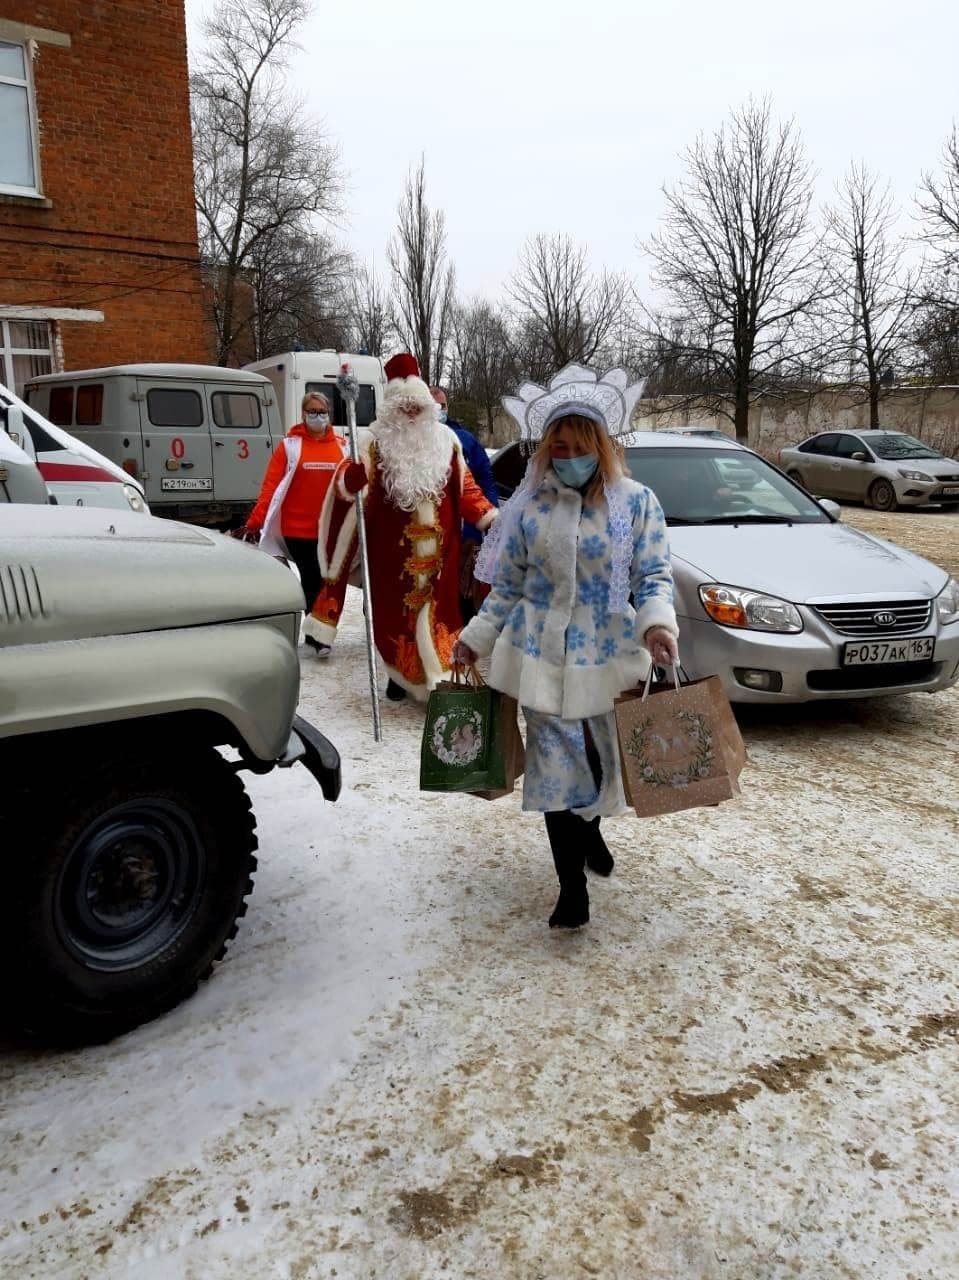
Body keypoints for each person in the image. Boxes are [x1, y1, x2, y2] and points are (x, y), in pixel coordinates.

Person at [452, 363, 680, 931]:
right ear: (544, 450)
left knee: (602, 766)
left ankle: (594, 831)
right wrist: (474, 639)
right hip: (540, 657)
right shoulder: (528, 508)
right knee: (556, 773)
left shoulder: (636, 503)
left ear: (600, 447)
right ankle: (571, 888)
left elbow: (652, 575)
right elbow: (507, 586)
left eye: (579, 447)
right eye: (557, 447)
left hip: (609, 654)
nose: (567, 457)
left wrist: (657, 626)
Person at [318, 353, 497, 702]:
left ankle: (440, 683)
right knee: (395, 622)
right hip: (393, 559)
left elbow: (468, 488)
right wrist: (349, 482)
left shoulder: (447, 442)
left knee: (440, 618)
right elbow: (347, 487)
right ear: (392, 410)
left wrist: (490, 518)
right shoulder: (372, 444)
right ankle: (400, 676)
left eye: (417, 407)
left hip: (442, 558)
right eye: (404, 408)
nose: (412, 414)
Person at [235, 392, 349, 656]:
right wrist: (255, 521)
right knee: (312, 579)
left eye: (322, 411)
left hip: (330, 529)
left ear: (329, 413)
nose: (317, 415)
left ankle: (316, 631)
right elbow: (270, 487)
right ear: (303, 414)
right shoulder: (289, 447)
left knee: (327, 582)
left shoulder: (342, 447)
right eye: (312, 411)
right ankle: (319, 636)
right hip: (297, 529)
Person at [430, 386, 500, 622]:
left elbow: (486, 479)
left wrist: (487, 516)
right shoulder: (415, 441)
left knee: (464, 590)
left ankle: (462, 638)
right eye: (433, 405)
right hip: (429, 536)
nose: (438, 410)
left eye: (442, 406)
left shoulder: (465, 440)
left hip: (465, 534)